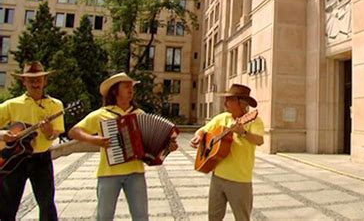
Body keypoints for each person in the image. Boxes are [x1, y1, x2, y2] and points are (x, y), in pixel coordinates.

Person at [68, 72, 177, 221]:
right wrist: (94, 139)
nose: (130, 89)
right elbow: (74, 131)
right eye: (126, 86)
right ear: (115, 90)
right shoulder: (101, 114)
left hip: (136, 173)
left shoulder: (139, 114)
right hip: (108, 173)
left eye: (132, 86)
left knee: (141, 217)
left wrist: (168, 147)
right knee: (104, 217)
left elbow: (152, 143)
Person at [190, 83, 264, 221]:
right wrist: (199, 136)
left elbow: (259, 140)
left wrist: (243, 132)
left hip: (240, 180)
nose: (225, 103)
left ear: (241, 103)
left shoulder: (254, 121)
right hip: (217, 177)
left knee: (242, 218)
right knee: (213, 217)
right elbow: (203, 130)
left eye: (229, 99)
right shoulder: (222, 118)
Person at [0, 61, 64, 221]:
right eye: (31, 79)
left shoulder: (55, 105)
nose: (35, 83)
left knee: (47, 205)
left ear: (45, 81)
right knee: (7, 206)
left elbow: (54, 135)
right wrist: (3, 135)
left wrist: (48, 131)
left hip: (41, 159)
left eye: (38, 79)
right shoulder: (11, 105)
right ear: (24, 82)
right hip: (14, 159)